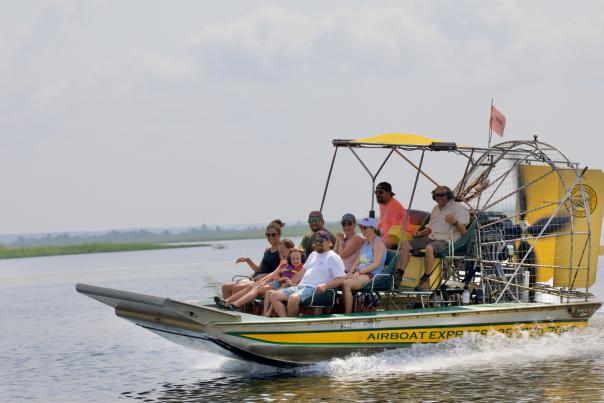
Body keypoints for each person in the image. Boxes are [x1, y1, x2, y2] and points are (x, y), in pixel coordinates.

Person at [399, 186, 469, 291]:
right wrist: (421, 232)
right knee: (406, 244)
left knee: (429, 248)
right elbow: (430, 227)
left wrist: (455, 222)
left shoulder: (458, 208)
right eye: (436, 195)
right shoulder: (435, 208)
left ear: (449, 196)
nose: (438, 197)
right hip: (433, 237)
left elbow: (464, 232)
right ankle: (398, 275)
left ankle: (426, 280)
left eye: (442, 195)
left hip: (447, 240)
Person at [269, 230, 345, 317]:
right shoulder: (313, 254)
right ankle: (286, 321)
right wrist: (291, 282)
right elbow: (302, 271)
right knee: (273, 295)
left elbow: (341, 278)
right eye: (316, 241)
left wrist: (325, 286)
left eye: (321, 241)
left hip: (315, 289)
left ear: (328, 242)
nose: (318, 243)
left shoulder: (333, 257)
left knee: (293, 298)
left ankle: (290, 325)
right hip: (301, 287)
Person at [219, 245, 304, 312]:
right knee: (251, 287)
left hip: (281, 286)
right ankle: (227, 301)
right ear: (290, 258)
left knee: (256, 289)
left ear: (301, 258)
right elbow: (274, 274)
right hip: (276, 282)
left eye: (297, 259)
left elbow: (295, 282)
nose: (295, 261)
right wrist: (262, 281)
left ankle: (236, 304)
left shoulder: (302, 268)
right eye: (293, 259)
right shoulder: (286, 264)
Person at [221, 219, 284, 298]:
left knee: (237, 288)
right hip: (256, 278)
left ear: (279, 235)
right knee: (225, 287)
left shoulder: (282, 251)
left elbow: (281, 271)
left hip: (267, 281)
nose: (270, 237)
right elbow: (258, 270)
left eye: (273, 235)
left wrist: (266, 276)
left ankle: (239, 308)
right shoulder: (267, 250)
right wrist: (248, 260)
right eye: (268, 235)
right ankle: (227, 307)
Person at [341, 217, 387, 314]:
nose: (362, 230)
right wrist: (350, 273)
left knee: (346, 284)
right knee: (337, 281)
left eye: (365, 228)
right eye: (361, 227)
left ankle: (347, 316)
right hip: (361, 273)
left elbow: (376, 264)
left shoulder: (378, 243)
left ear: (373, 229)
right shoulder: (365, 243)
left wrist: (359, 272)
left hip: (372, 275)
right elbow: (357, 261)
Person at [375, 181, 409, 249]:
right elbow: (383, 222)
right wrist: (376, 231)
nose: (378, 194)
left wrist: (382, 238)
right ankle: (363, 260)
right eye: (376, 192)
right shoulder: (382, 204)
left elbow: (397, 230)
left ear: (389, 193)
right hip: (385, 236)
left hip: (397, 236)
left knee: (378, 247)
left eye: (381, 192)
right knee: (363, 244)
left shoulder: (394, 206)